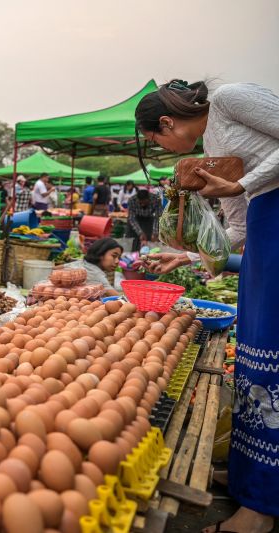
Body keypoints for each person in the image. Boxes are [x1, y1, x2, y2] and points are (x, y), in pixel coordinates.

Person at [136, 79, 279, 533]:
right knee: (258, 359)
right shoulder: (214, 148)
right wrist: (191, 255)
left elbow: (245, 189)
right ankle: (252, 478)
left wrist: (243, 184)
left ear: (165, 123)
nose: (163, 149)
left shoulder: (231, 97)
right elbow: (234, 226)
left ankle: (260, 509)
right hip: (262, 227)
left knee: (274, 360)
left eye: (156, 141)